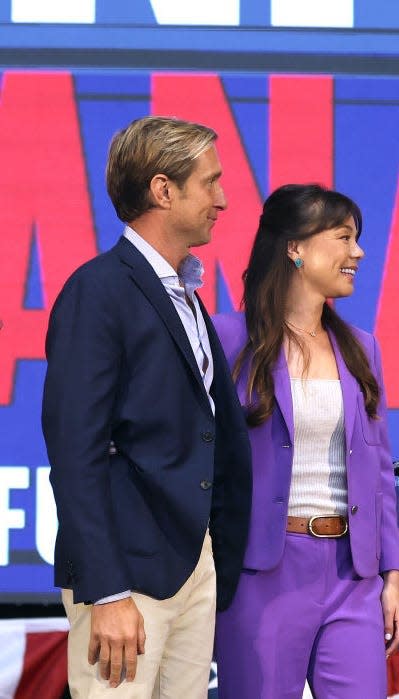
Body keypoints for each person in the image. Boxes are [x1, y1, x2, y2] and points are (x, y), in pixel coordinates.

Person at [42, 116, 252, 697]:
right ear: (163, 190)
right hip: (126, 578)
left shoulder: (184, 294)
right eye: (210, 183)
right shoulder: (99, 290)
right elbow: (75, 450)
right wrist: (106, 591)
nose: (223, 199)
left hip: (191, 566)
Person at [212, 183, 399, 698]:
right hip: (263, 572)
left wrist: (392, 574)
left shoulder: (362, 348)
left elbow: (380, 471)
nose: (358, 252)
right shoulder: (228, 339)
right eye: (344, 238)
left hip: (353, 575)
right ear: (295, 248)